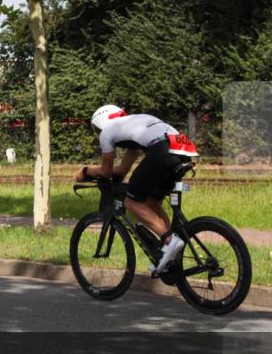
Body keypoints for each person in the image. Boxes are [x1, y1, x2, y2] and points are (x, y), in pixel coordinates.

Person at [74, 105, 198, 272]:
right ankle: (169, 254)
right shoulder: (133, 126)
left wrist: (85, 171)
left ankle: (170, 240)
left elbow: (106, 171)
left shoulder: (107, 131)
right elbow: (122, 170)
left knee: (131, 202)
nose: (98, 132)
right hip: (184, 148)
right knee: (150, 201)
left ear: (101, 122)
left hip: (162, 148)